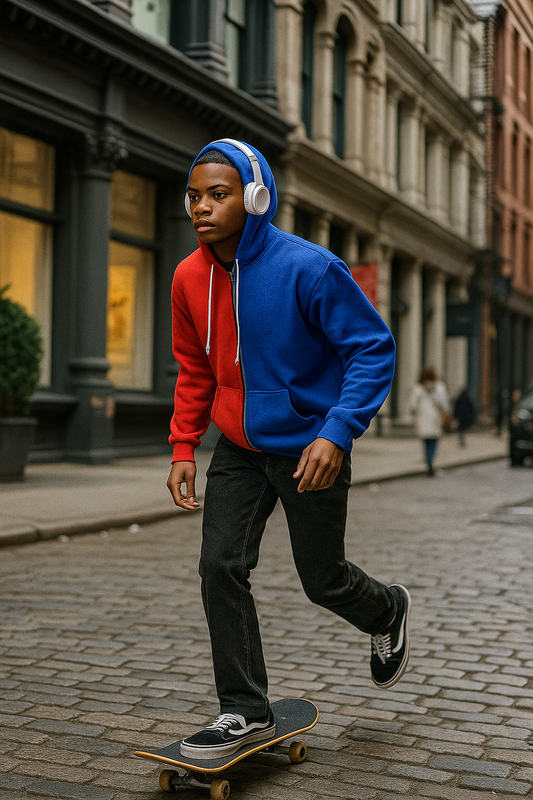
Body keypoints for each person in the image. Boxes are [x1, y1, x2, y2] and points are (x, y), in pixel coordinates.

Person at [166, 138, 411, 760]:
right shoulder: (189, 277)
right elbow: (193, 369)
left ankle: (385, 611)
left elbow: (372, 348)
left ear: (254, 199)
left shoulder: (311, 267)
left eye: (217, 195)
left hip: (310, 446)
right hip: (240, 449)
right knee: (220, 567)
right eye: (194, 195)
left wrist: (337, 431)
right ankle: (244, 710)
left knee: (322, 581)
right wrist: (183, 446)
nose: (201, 207)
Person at [408, 366, 451, 476]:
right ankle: (431, 463)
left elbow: (412, 405)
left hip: (423, 419)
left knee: (426, 443)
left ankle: (429, 462)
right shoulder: (439, 387)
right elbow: (444, 405)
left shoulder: (418, 388)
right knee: (433, 442)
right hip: (435, 419)